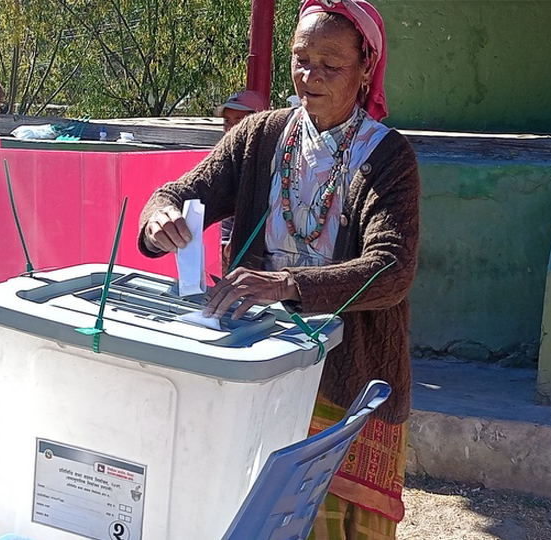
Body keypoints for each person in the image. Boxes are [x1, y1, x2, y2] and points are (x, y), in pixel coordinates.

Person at [138, 1, 419, 539]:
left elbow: (392, 269)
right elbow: (180, 192)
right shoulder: (261, 136)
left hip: (344, 367)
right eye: (300, 59)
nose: (309, 77)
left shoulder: (388, 158)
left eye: (329, 65)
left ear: (366, 70)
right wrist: (161, 216)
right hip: (255, 359)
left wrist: (285, 285)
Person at [214, 89, 268, 271]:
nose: (230, 128)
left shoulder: (271, 161)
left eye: (239, 121)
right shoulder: (225, 162)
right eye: (227, 121)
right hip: (230, 257)